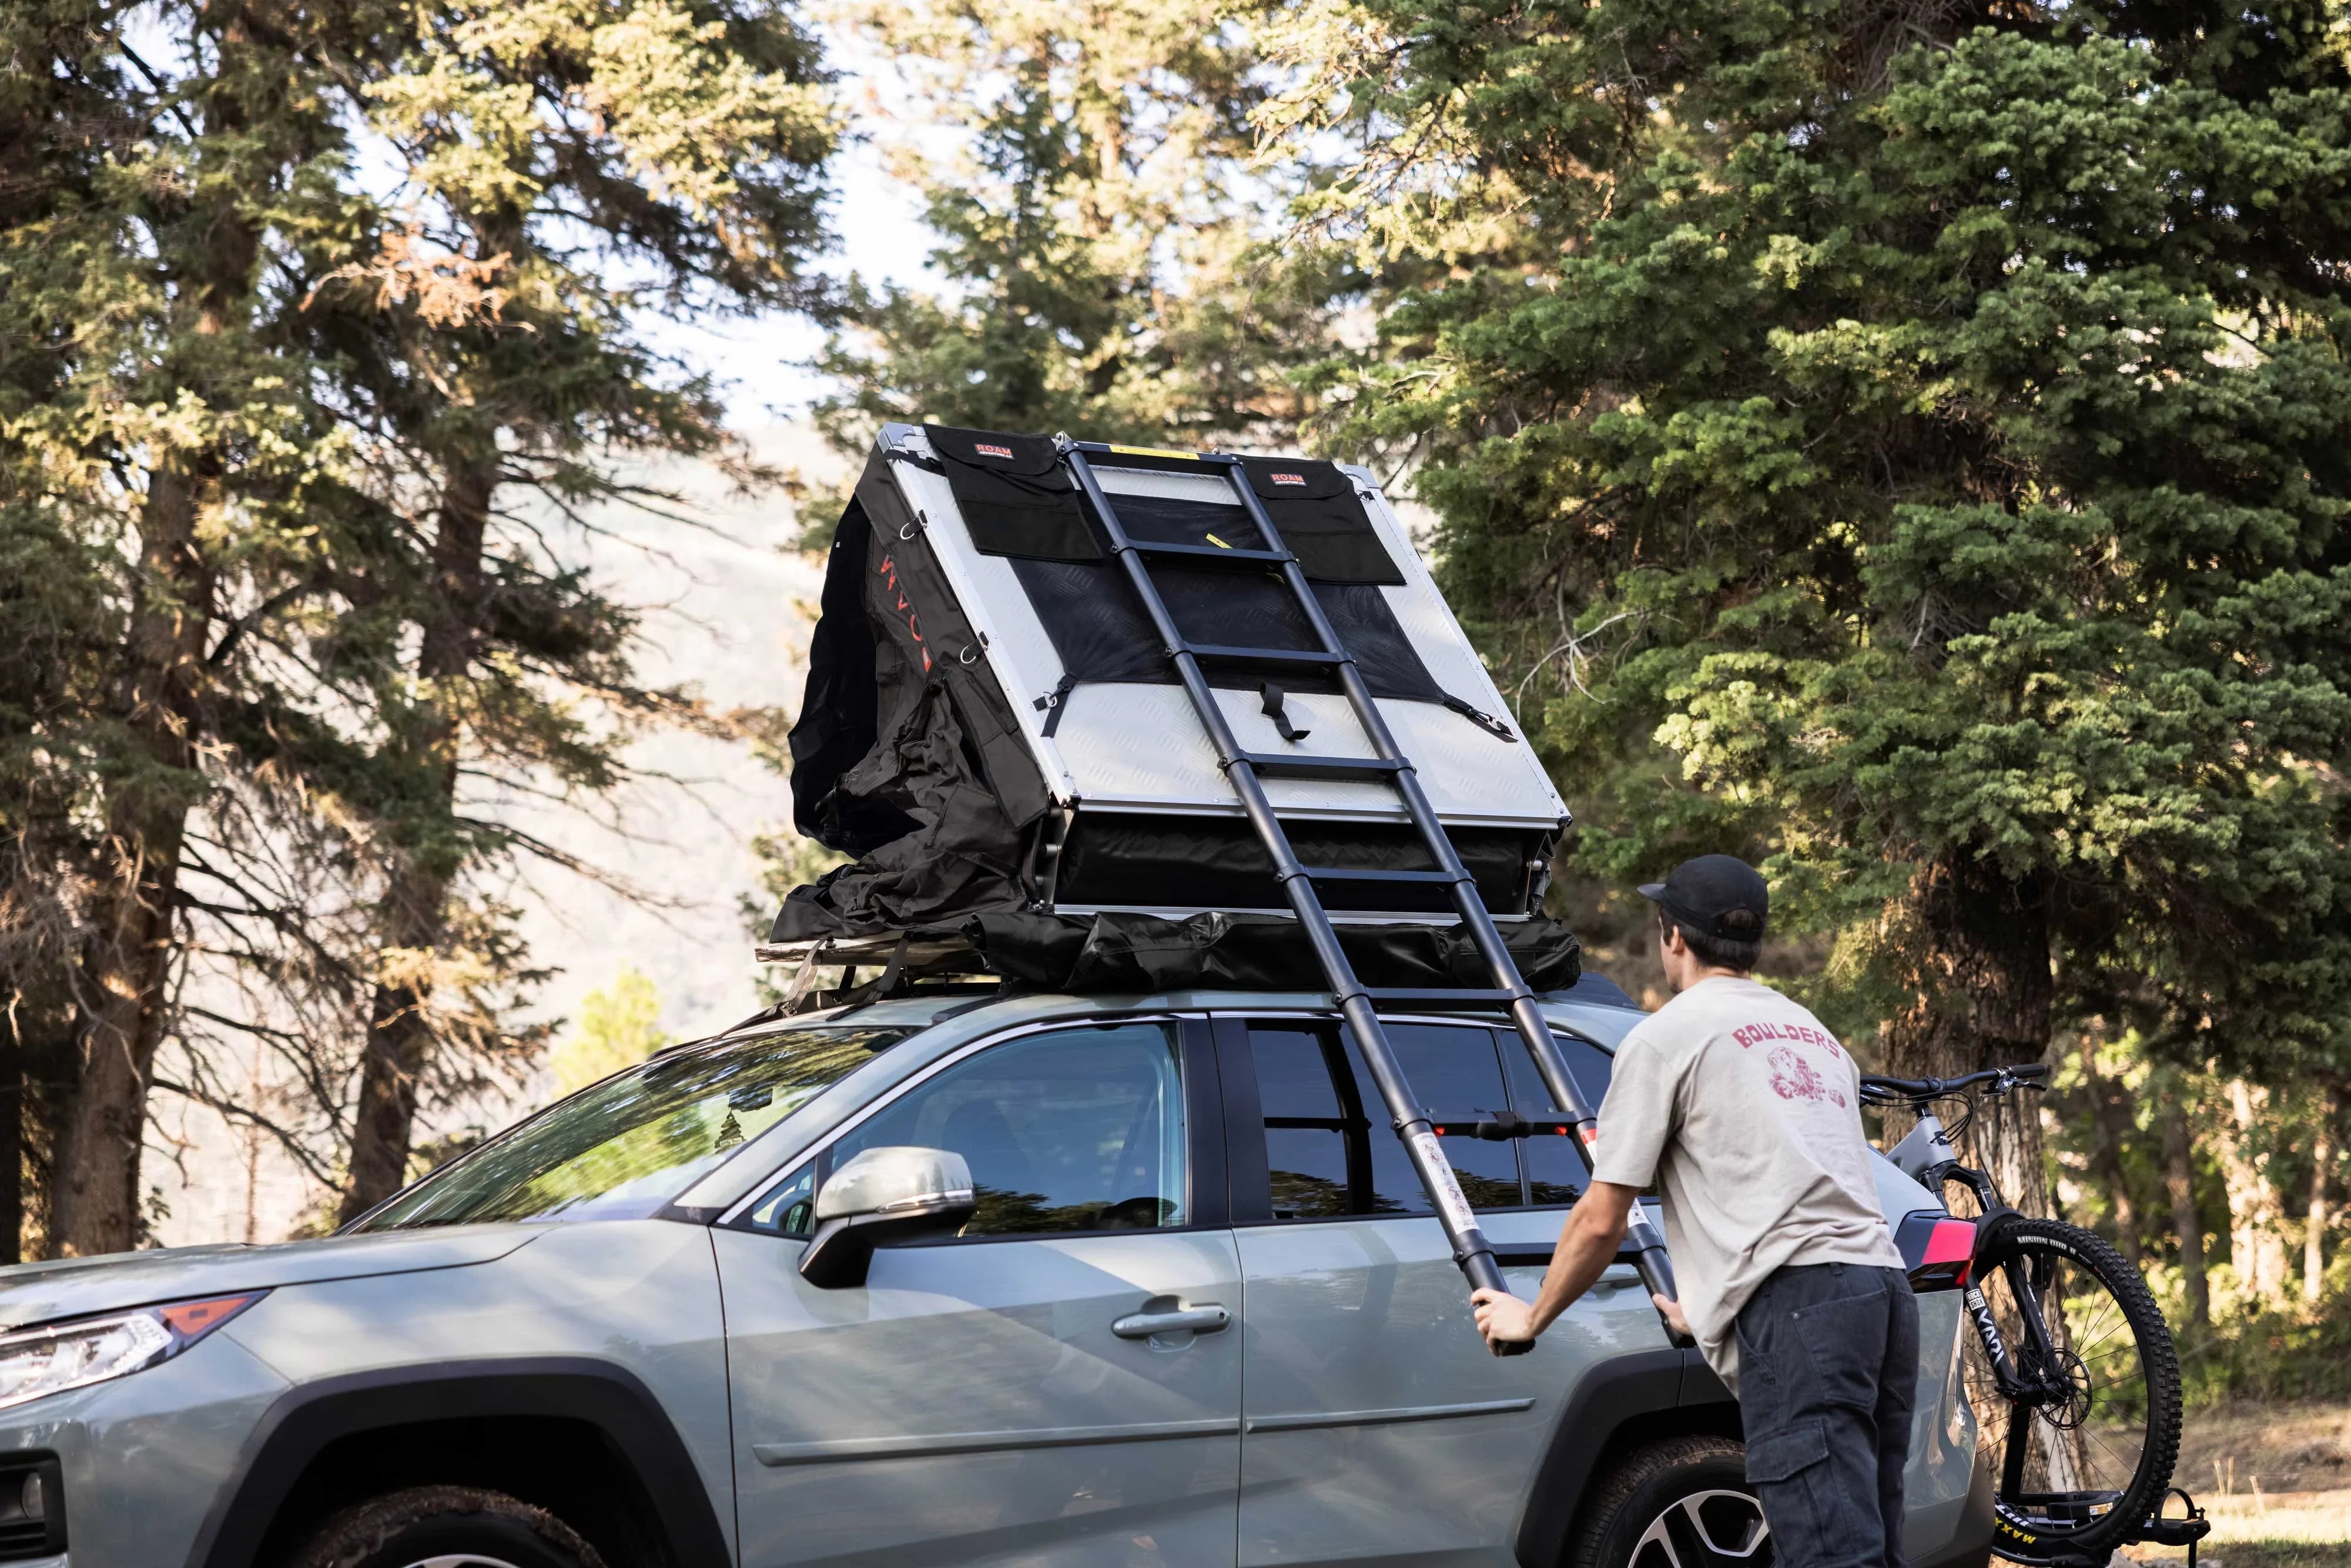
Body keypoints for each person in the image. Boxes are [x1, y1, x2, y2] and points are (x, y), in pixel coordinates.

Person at [1472, 854, 1917, 1568]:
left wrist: (1530, 1315)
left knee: (1832, 1555)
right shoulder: (1812, 1035)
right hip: (1882, 1297)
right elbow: (1795, 1182)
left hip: (1802, 1312)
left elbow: (1601, 1215)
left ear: (1671, 935)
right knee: (1870, 1544)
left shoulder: (1665, 1037)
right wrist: (1712, 1305)